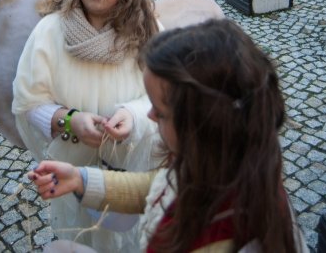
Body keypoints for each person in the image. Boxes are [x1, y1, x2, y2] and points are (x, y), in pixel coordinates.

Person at [29, 18, 306, 253]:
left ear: (201, 124)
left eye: (160, 113)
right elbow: (159, 187)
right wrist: (80, 179)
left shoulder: (219, 236)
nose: (149, 116)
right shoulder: (220, 166)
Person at [12, 0, 162, 251]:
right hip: (73, 174)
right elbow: (28, 102)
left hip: (129, 174)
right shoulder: (50, 31)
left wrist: (133, 117)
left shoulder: (146, 30)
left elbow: (165, 94)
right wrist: (69, 120)